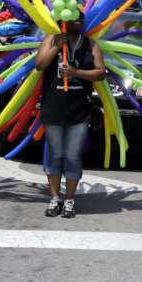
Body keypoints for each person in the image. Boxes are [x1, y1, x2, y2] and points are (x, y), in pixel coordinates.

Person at [31, 19, 105, 218]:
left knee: (73, 155)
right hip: (53, 108)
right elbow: (39, 65)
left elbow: (101, 72)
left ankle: (70, 200)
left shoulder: (90, 44)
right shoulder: (51, 40)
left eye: (81, 17)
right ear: (63, 20)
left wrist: (76, 72)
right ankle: (55, 199)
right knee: (55, 154)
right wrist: (57, 47)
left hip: (79, 110)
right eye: (74, 17)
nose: (78, 20)